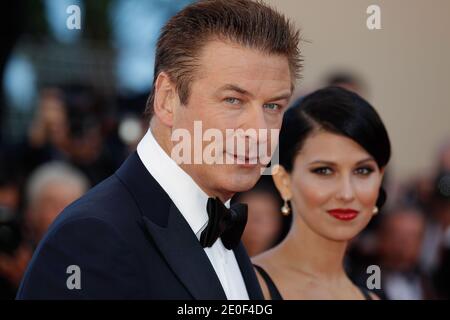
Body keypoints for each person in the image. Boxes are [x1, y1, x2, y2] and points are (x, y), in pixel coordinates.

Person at [17, 0, 302, 299]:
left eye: (273, 106)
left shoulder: (223, 228)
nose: (259, 132)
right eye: (233, 100)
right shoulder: (93, 238)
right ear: (167, 99)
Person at [253, 86, 391, 300]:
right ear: (284, 181)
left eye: (363, 170)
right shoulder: (244, 286)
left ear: (380, 178)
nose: (347, 193)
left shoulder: (373, 297)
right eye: (324, 171)